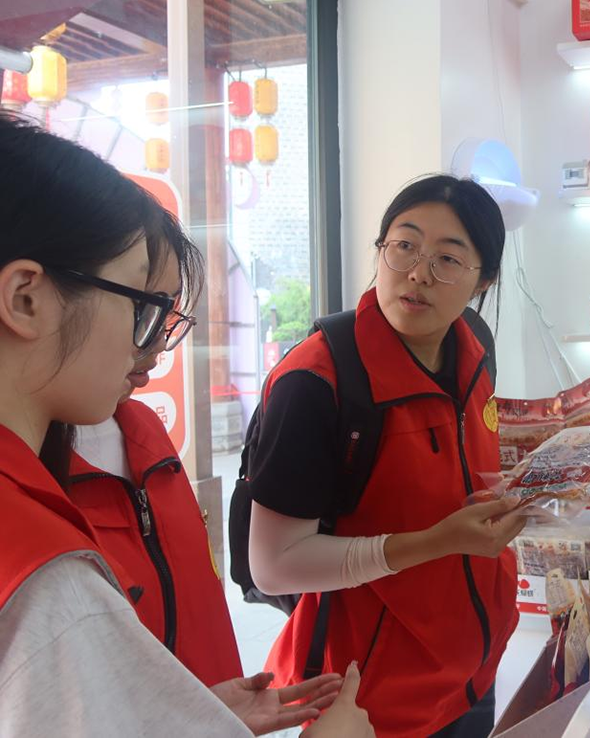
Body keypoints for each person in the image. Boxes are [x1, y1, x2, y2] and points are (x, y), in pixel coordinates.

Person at [0, 114, 373, 737]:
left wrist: (179, 714)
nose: (148, 348)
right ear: (25, 299)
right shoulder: (45, 578)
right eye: (142, 306)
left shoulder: (125, 446)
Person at [247, 175, 527, 736]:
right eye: (404, 246)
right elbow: (273, 567)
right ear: (380, 250)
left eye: (448, 259)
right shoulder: (315, 381)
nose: (418, 273)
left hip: (474, 670)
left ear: (483, 281)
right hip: (368, 701)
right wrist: (439, 541)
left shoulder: (473, 350)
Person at [67, 205, 244, 687]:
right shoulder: (28, 478)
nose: (158, 344)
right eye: (140, 308)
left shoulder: (143, 427)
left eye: (166, 313)